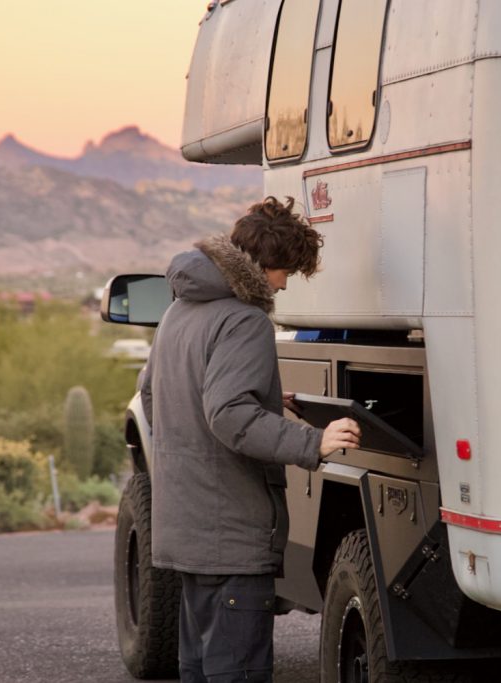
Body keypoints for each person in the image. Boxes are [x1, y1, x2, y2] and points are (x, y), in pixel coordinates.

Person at [140, 196, 361, 683]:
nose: (285, 284)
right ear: (266, 264)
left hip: (188, 528)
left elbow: (154, 394)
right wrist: (314, 443)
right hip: (232, 533)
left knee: (199, 669)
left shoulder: (181, 309)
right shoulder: (244, 318)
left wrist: (266, 399)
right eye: (287, 272)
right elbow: (229, 415)